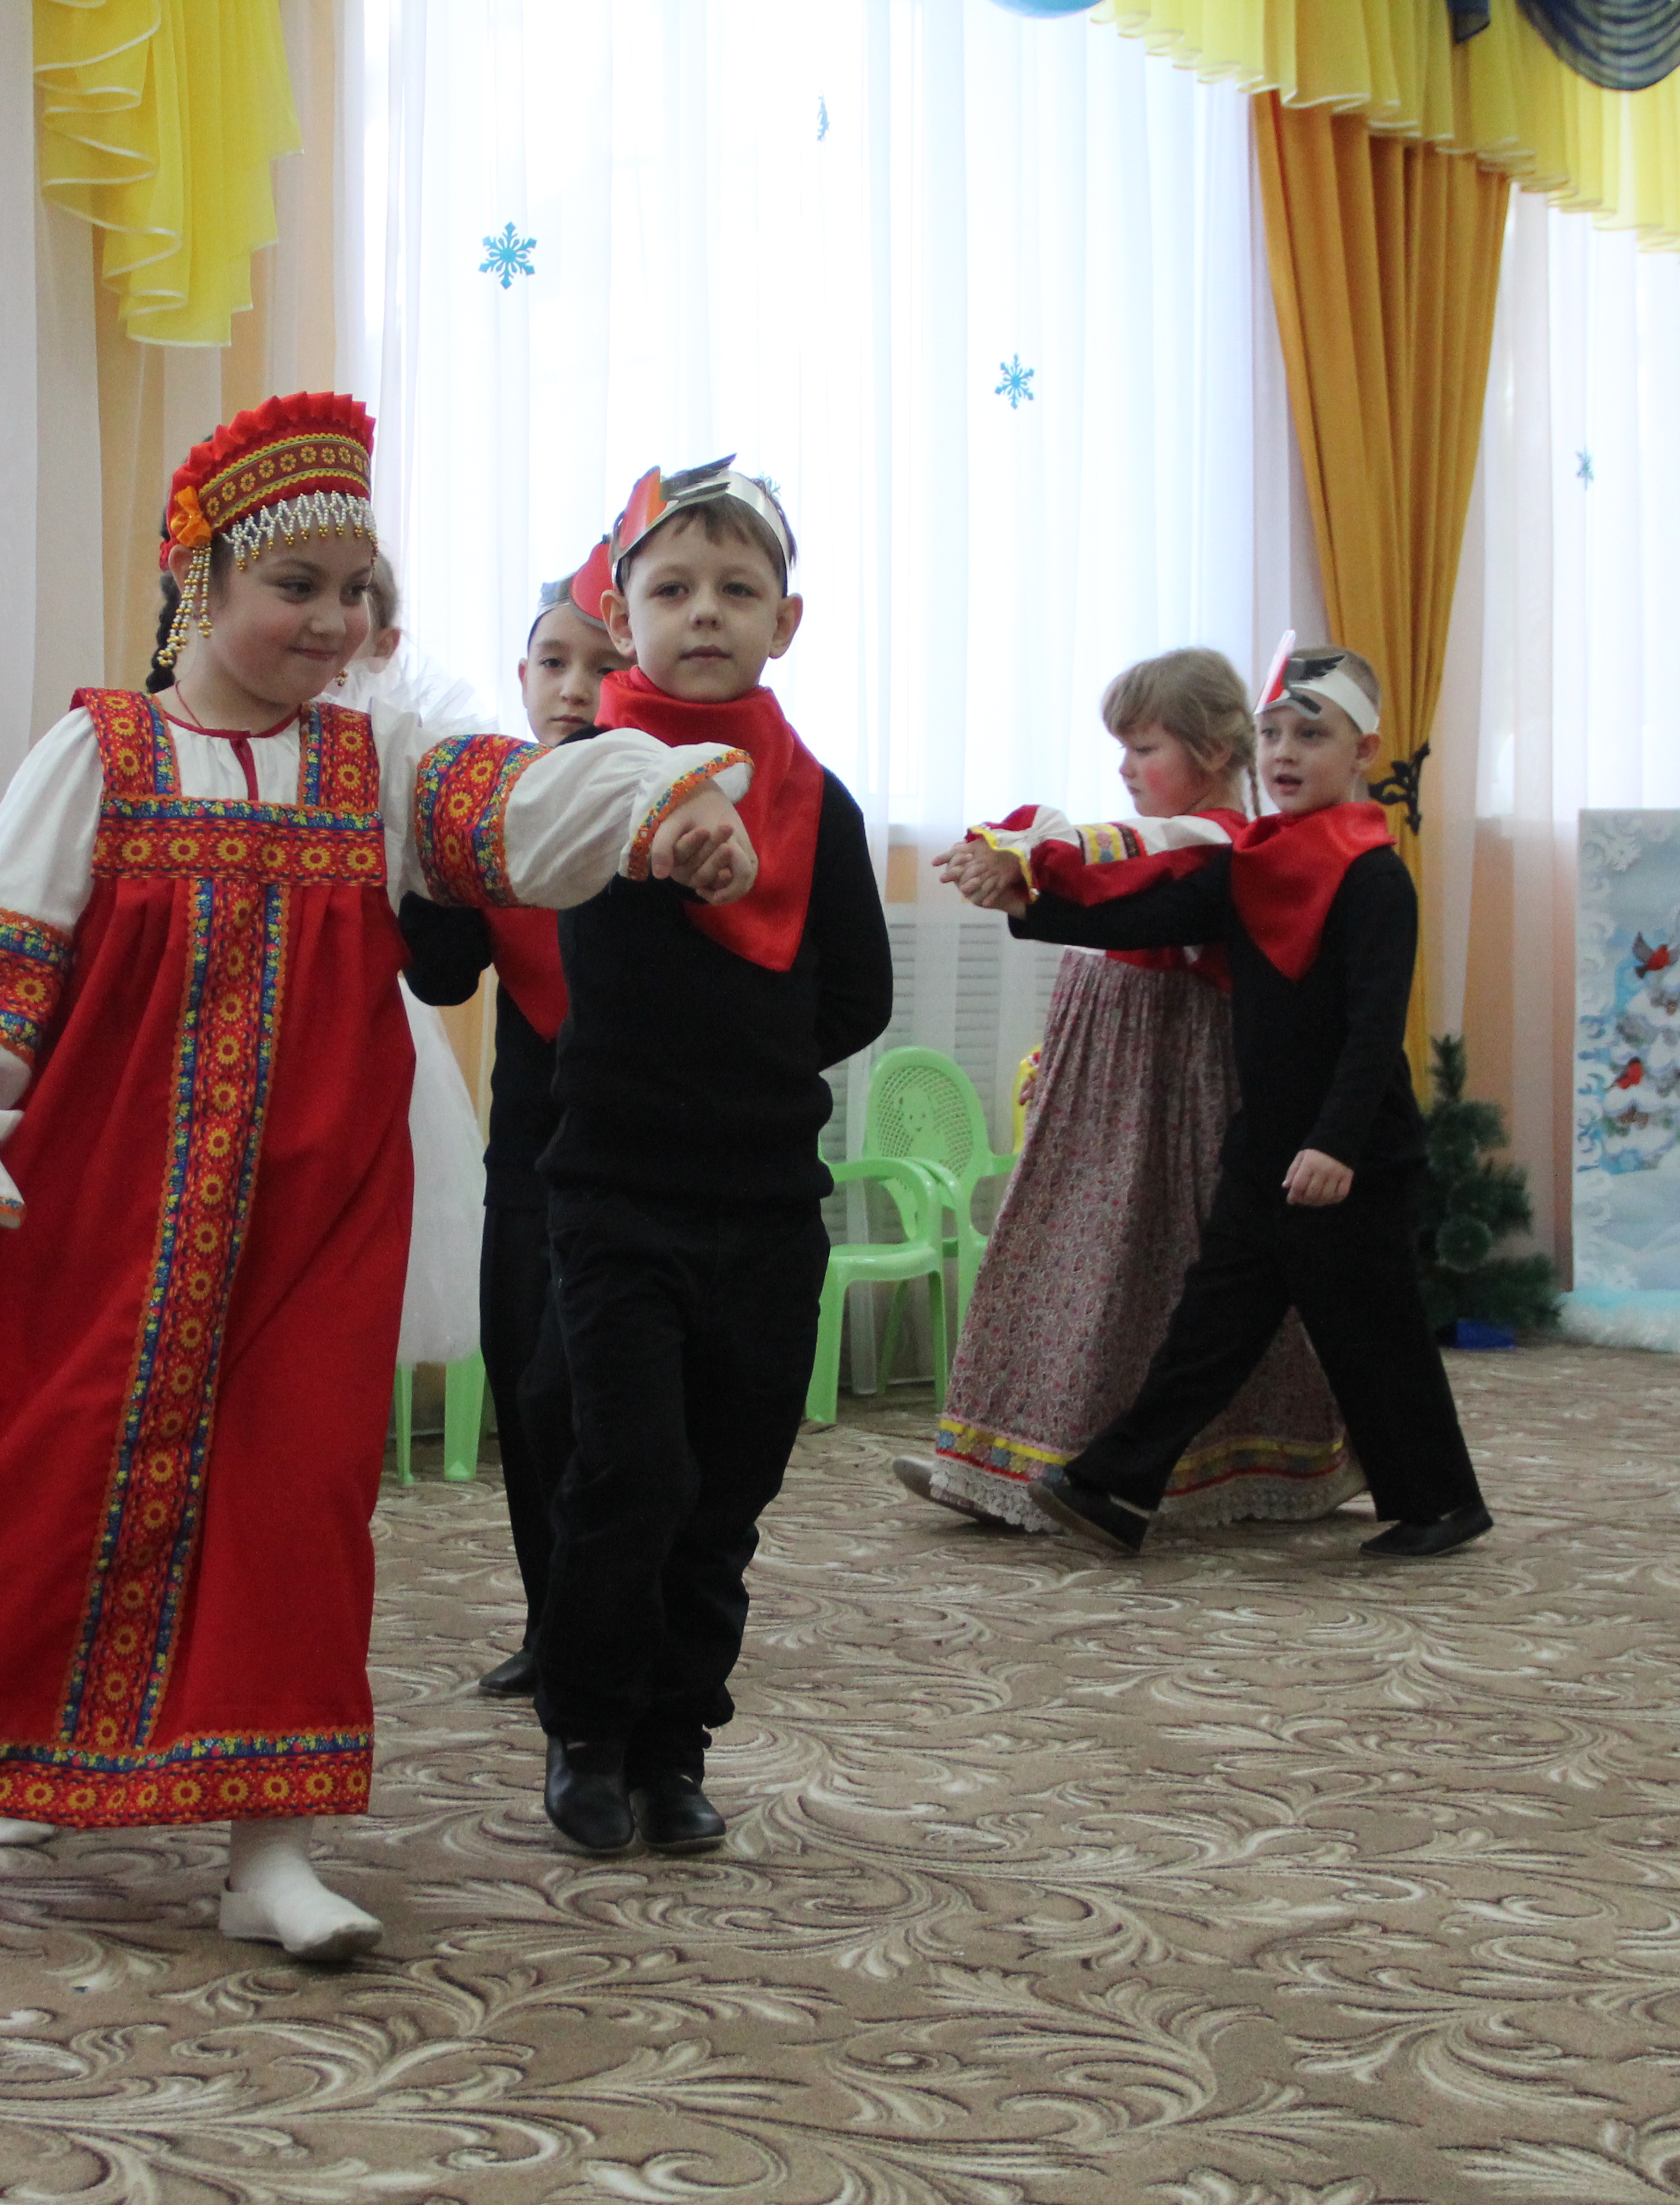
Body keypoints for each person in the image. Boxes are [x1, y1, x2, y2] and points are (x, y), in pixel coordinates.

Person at [0, 394, 761, 1964]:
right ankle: (23, 1752)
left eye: (361, 594)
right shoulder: (102, 753)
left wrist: (656, 804)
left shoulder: (377, 761)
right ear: (203, 585)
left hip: (314, 1212)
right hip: (101, 1208)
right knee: (54, 1480)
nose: (336, 623)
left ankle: (271, 1850)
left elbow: (509, 810)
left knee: (296, 1503)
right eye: (301, 587)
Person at [531, 457, 894, 1857]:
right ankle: (587, 1730)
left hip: (765, 1201)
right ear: (621, 623)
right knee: (631, 1474)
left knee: (729, 1488)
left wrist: (756, 1050)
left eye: (737, 590)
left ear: (783, 623)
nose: (704, 612)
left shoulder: (827, 805)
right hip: (616, 1193)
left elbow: (856, 997)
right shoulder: (583, 778)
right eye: (671, 588)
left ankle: (678, 1743)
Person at [958, 642, 1493, 1562]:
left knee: (1378, 1337)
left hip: (1347, 1154)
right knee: (1210, 1327)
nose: (1285, 751)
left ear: (1363, 752)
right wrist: (1024, 899)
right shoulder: (1253, 862)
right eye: (1275, 732)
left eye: (1311, 735)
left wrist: (1337, 1145)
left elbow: (1374, 1033)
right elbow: (1142, 917)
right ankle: (1115, 1485)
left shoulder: (1374, 876)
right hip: (1266, 1146)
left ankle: (1443, 1501)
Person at [893, 648, 1356, 1535]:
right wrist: (1019, 878)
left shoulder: (1224, 845)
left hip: (1169, 1082)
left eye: (1146, 748)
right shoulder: (1162, 842)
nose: (1125, 768)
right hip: (1103, 1081)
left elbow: (1128, 901)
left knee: (1142, 1262)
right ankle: (997, 1454)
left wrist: (1033, 885)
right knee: (1062, 1250)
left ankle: (1200, 1462)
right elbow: (1108, 880)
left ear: (1216, 751)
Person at [398, 541, 630, 1698]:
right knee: (530, 1391)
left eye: (599, 663)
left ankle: (620, 1631)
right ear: (522, 675)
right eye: (552, 662)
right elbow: (444, 980)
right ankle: (552, 1627)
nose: (573, 689)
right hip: (531, 1154)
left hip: (645, 1160)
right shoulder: (485, 814)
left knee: (612, 1406)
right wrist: (417, 869)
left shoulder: (662, 806)